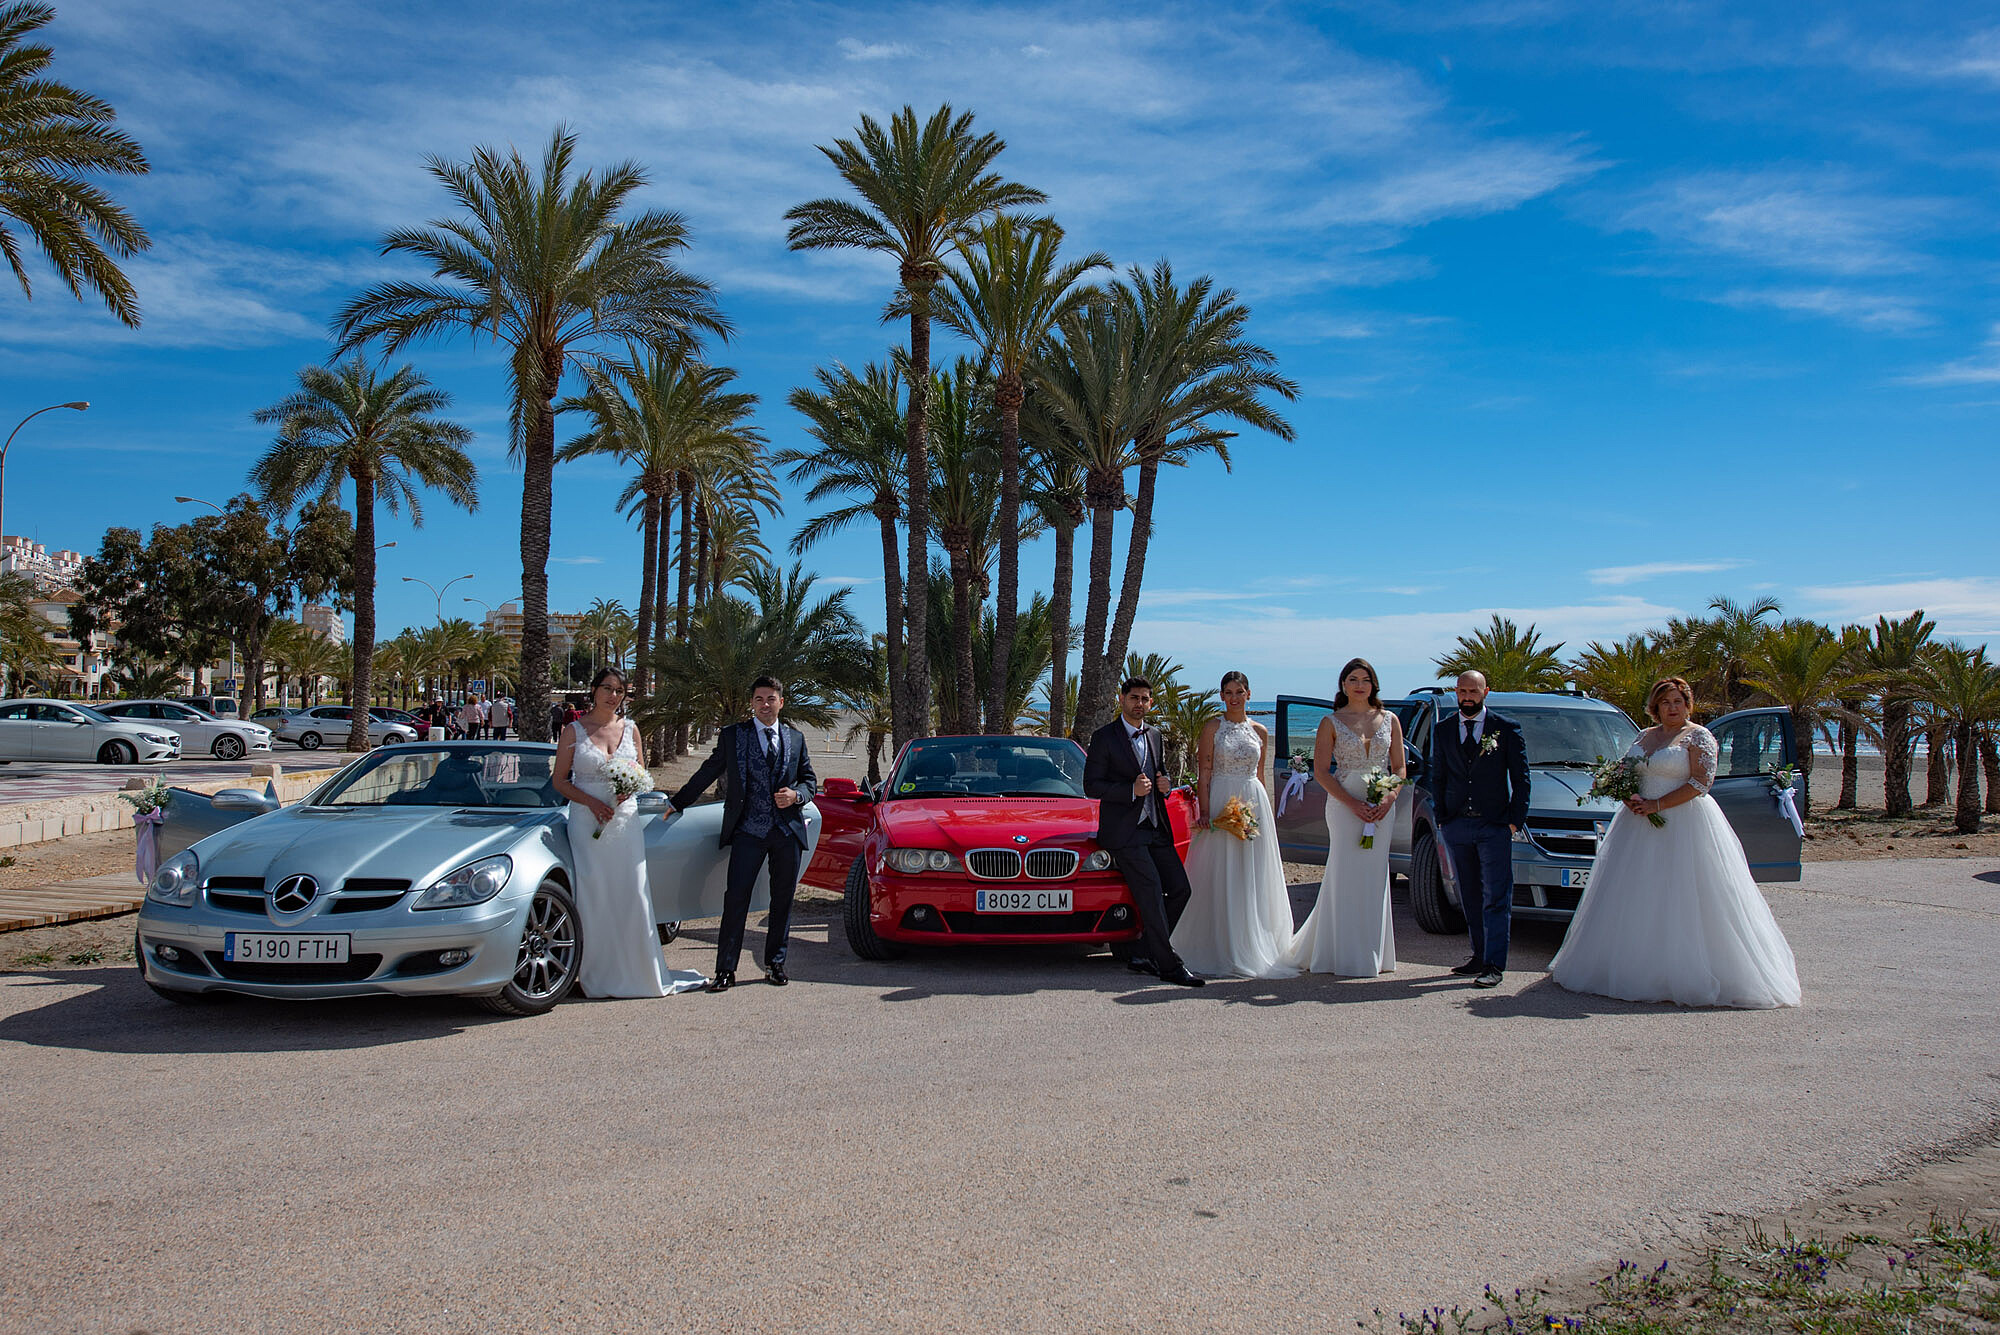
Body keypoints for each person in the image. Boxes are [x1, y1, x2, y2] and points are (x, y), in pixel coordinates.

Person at [1550, 677, 1801, 1008]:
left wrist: (1658, 805)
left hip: (1685, 822)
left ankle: (1692, 971)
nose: (1672, 708)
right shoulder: (1644, 736)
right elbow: (1626, 772)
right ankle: (1635, 966)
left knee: (1687, 893)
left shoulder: (1698, 736)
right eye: (1666, 702)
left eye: (1678, 702)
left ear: (1687, 705)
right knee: (1639, 893)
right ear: (1655, 706)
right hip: (1637, 824)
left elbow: (1701, 781)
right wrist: (1628, 797)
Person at [552, 667, 705, 999]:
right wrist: (592, 802)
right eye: (607, 688)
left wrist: (630, 790)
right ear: (593, 691)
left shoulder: (631, 729)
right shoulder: (573, 731)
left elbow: (640, 772)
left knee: (632, 891)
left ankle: (636, 971)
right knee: (594, 893)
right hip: (586, 822)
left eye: (620, 690)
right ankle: (592, 973)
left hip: (625, 822)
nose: (613, 695)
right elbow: (560, 781)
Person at [668, 676, 818, 993]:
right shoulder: (734, 736)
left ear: (781, 702)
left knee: (782, 900)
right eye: (759, 699)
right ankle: (725, 970)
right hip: (748, 830)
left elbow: (809, 781)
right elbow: (708, 771)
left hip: (786, 832)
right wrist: (677, 802)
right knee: (736, 899)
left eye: (771, 698)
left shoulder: (796, 737)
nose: (765, 704)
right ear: (752, 703)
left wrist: (797, 796)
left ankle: (775, 964)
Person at [1171, 672, 1298, 979]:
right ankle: (1216, 943)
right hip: (1221, 799)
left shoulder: (1260, 730)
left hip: (1252, 801)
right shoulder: (1213, 728)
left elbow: (1261, 774)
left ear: (1249, 694)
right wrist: (1205, 810)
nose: (1234, 697)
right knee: (1219, 870)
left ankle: (1254, 941)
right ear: (1222, 696)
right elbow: (1204, 771)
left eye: (1239, 691)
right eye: (1228, 692)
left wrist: (1263, 809)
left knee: (1251, 871)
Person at [1084, 677, 1204, 987]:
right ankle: (1168, 964)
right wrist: (1129, 790)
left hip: (1154, 828)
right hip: (1124, 833)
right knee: (1150, 893)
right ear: (1121, 699)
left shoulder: (1155, 735)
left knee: (1180, 889)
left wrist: (1163, 786)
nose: (1140, 703)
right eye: (1134, 697)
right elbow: (1091, 786)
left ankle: (1143, 951)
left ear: (1151, 703)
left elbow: (1158, 773)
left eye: (1145, 699)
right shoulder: (1104, 738)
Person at [1286, 658, 1402, 977]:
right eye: (1353, 679)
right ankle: (1340, 952)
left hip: (1381, 807)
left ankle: (1373, 953)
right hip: (1343, 804)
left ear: (1373, 684)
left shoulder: (1390, 719)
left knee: (1375, 874)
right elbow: (1322, 772)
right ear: (1343, 685)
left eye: (1365, 679)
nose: (1359, 684)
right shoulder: (1330, 722)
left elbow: (1400, 768)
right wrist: (1351, 803)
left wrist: (1389, 798)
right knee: (1345, 871)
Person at [1429, 670, 1531, 990]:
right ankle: (1478, 954)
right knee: (1469, 893)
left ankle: (1493, 964)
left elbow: (1521, 779)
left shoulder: (1506, 728)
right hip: (1458, 824)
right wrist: (1442, 817)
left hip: (1494, 825)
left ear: (1486, 691)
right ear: (1455, 692)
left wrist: (1515, 820)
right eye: (1462, 691)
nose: (1468, 696)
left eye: (1474, 690)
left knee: (1496, 896)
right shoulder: (1444, 730)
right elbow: (1438, 775)